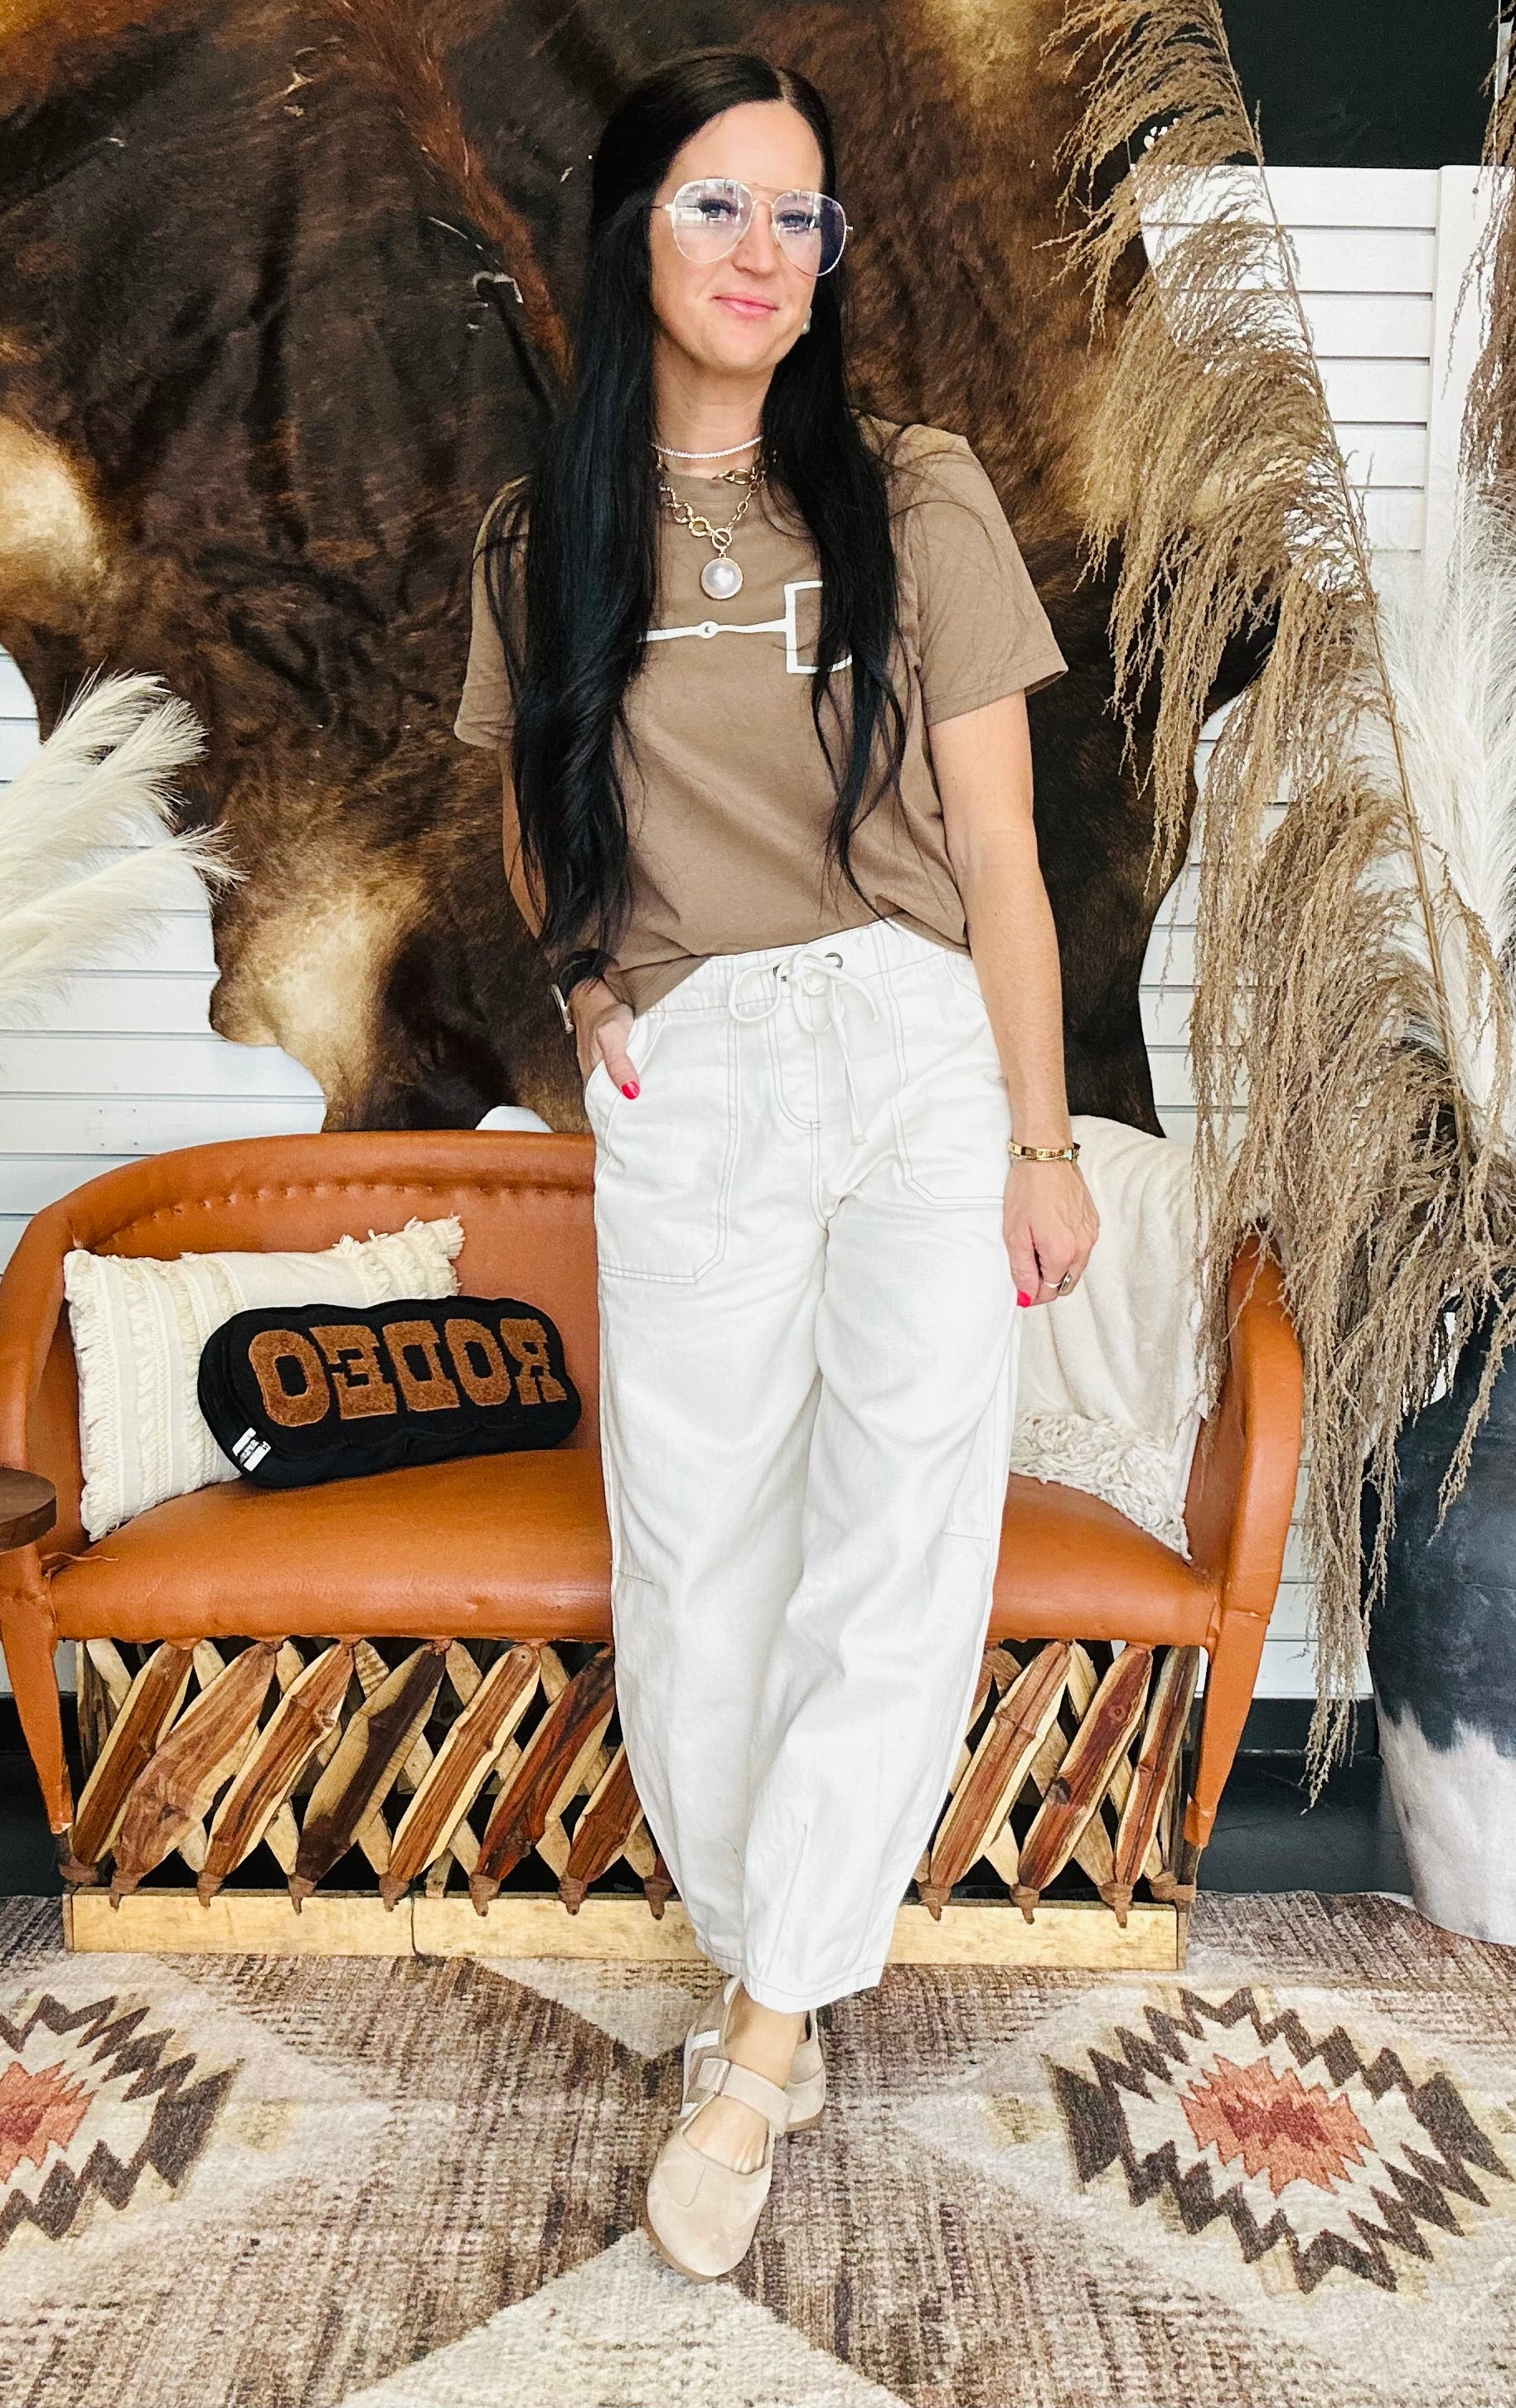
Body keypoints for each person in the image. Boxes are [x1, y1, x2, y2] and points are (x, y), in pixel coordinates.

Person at [453, 45, 1098, 2283]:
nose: (765, 251)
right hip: (702, 1072)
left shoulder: (915, 494)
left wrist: (1042, 1137)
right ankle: (788, 1958)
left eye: (799, 214)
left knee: (894, 1539)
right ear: (632, 232)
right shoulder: (547, 536)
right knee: (696, 1547)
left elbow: (1001, 854)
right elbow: (540, 813)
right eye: (719, 205)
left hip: (913, 1052)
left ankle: (753, 2041)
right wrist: (592, 995)